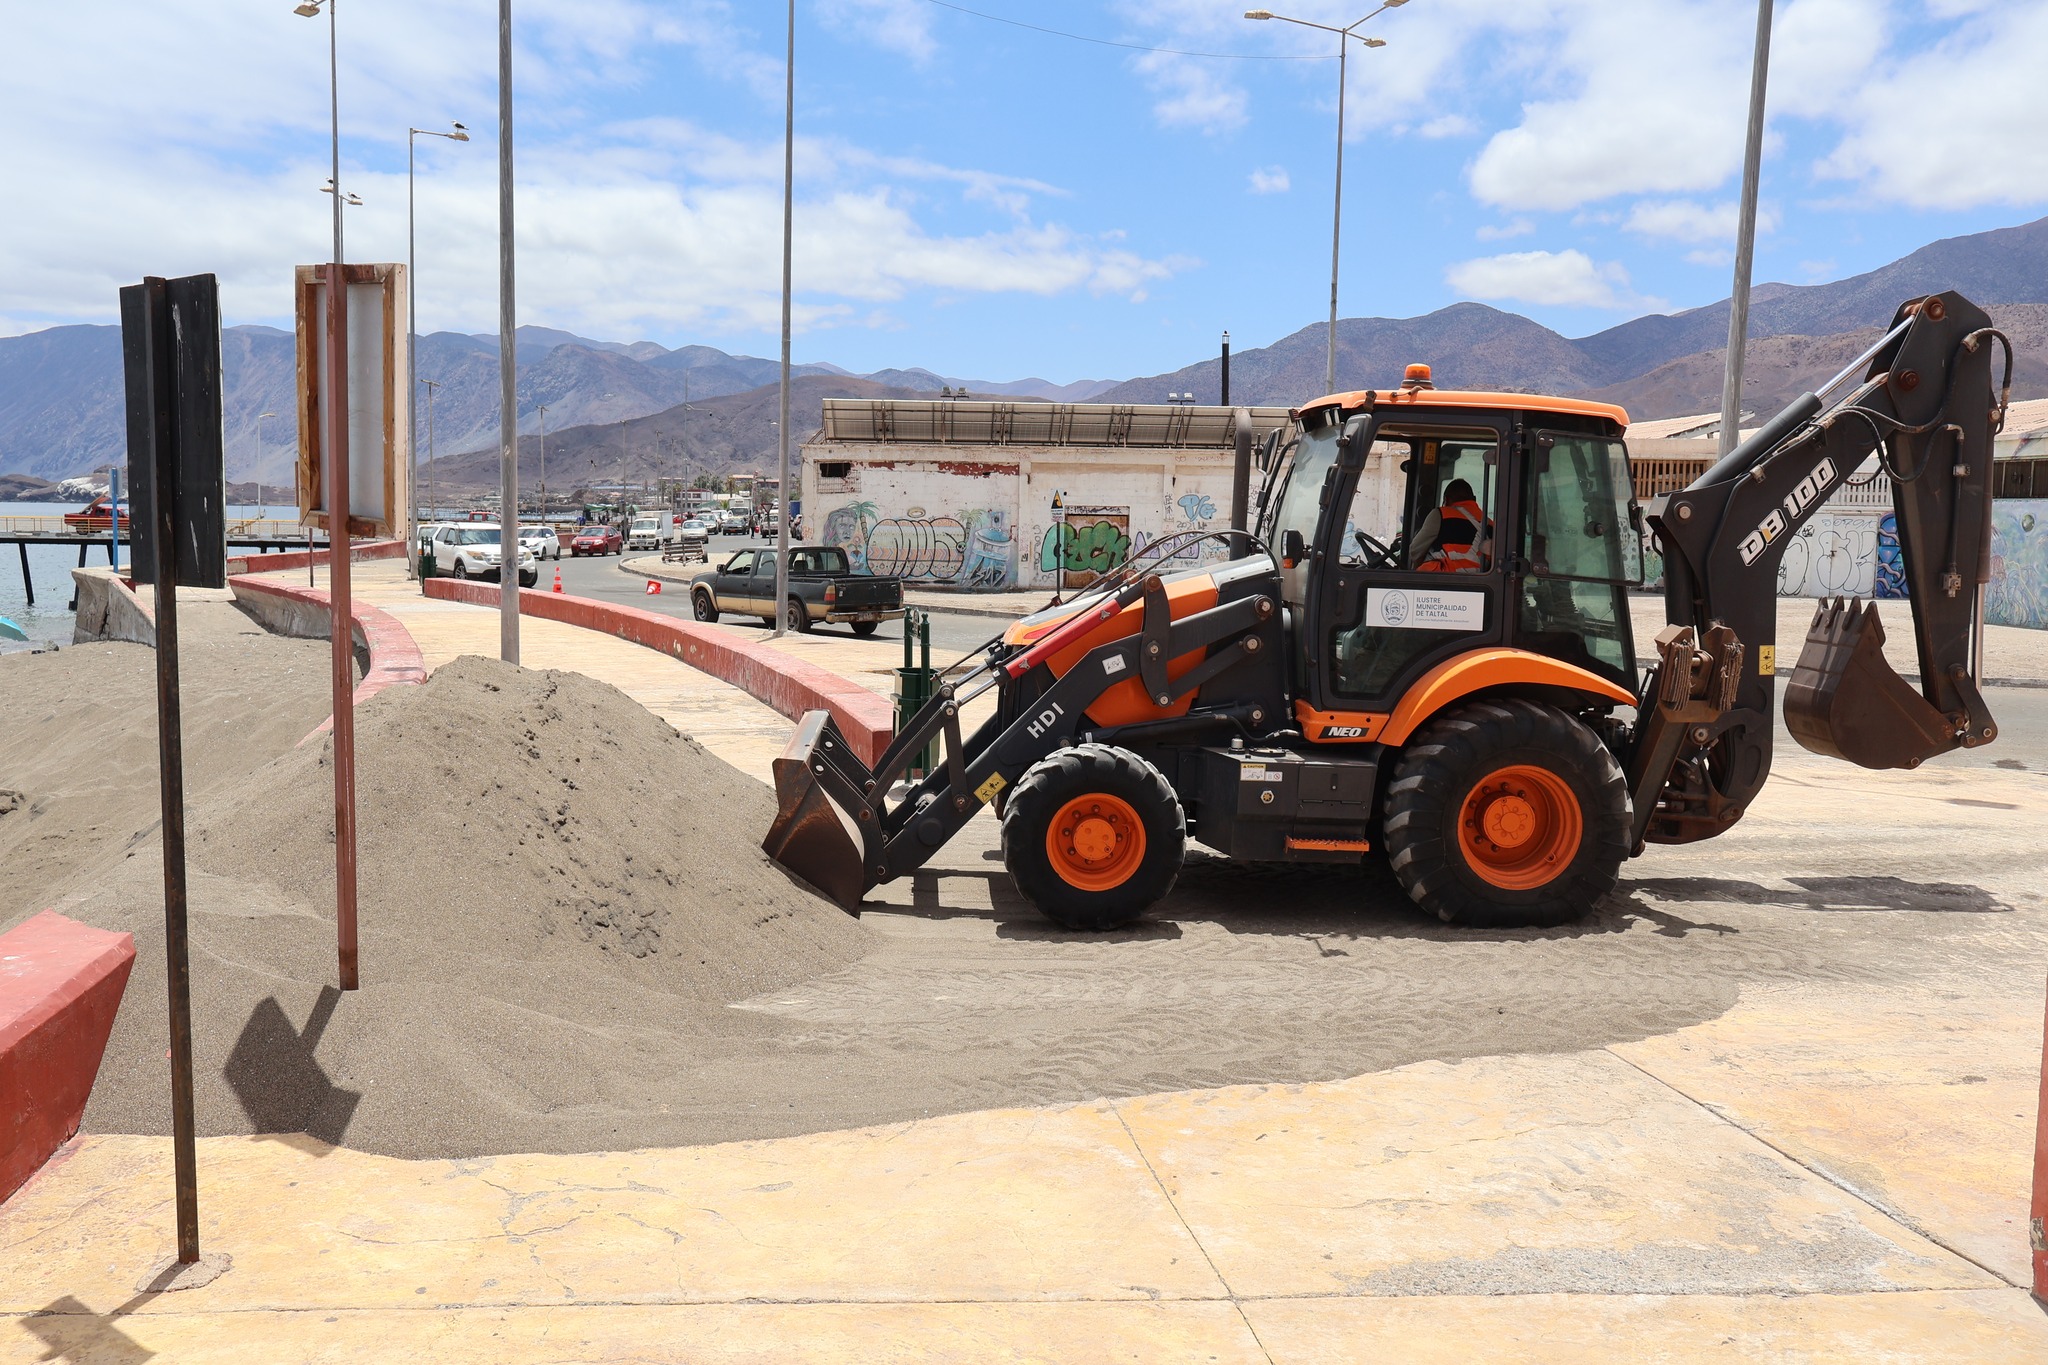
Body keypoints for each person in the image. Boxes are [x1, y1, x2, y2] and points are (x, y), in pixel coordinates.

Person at [1409, 478, 1489, 573]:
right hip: (1479, 582)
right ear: (1474, 499)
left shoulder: (1442, 514)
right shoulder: (1490, 524)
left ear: (1446, 499)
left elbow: (1415, 550)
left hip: (1444, 580)